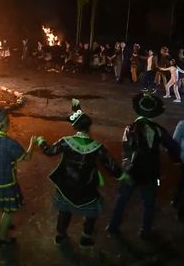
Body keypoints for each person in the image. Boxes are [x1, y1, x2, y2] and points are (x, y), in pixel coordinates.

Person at [36, 99, 126, 247]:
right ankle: (85, 237)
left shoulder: (66, 141)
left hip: (66, 185)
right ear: (89, 127)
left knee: (64, 212)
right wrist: (123, 176)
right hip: (87, 187)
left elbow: (49, 151)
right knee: (91, 213)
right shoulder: (98, 147)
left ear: (74, 127)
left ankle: (60, 235)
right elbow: (111, 166)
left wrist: (41, 141)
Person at [106, 93, 180, 239]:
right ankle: (145, 230)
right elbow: (173, 147)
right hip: (150, 172)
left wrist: (126, 167)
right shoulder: (158, 129)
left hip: (130, 171)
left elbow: (126, 149)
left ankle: (113, 226)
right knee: (149, 203)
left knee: (122, 200)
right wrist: (175, 158)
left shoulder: (129, 128)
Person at [0, 108, 30, 247]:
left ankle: (5, 223)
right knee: (9, 210)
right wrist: (33, 144)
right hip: (7, 181)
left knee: (4, 205)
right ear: (4, 125)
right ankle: (3, 238)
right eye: (9, 122)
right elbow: (26, 157)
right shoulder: (10, 143)